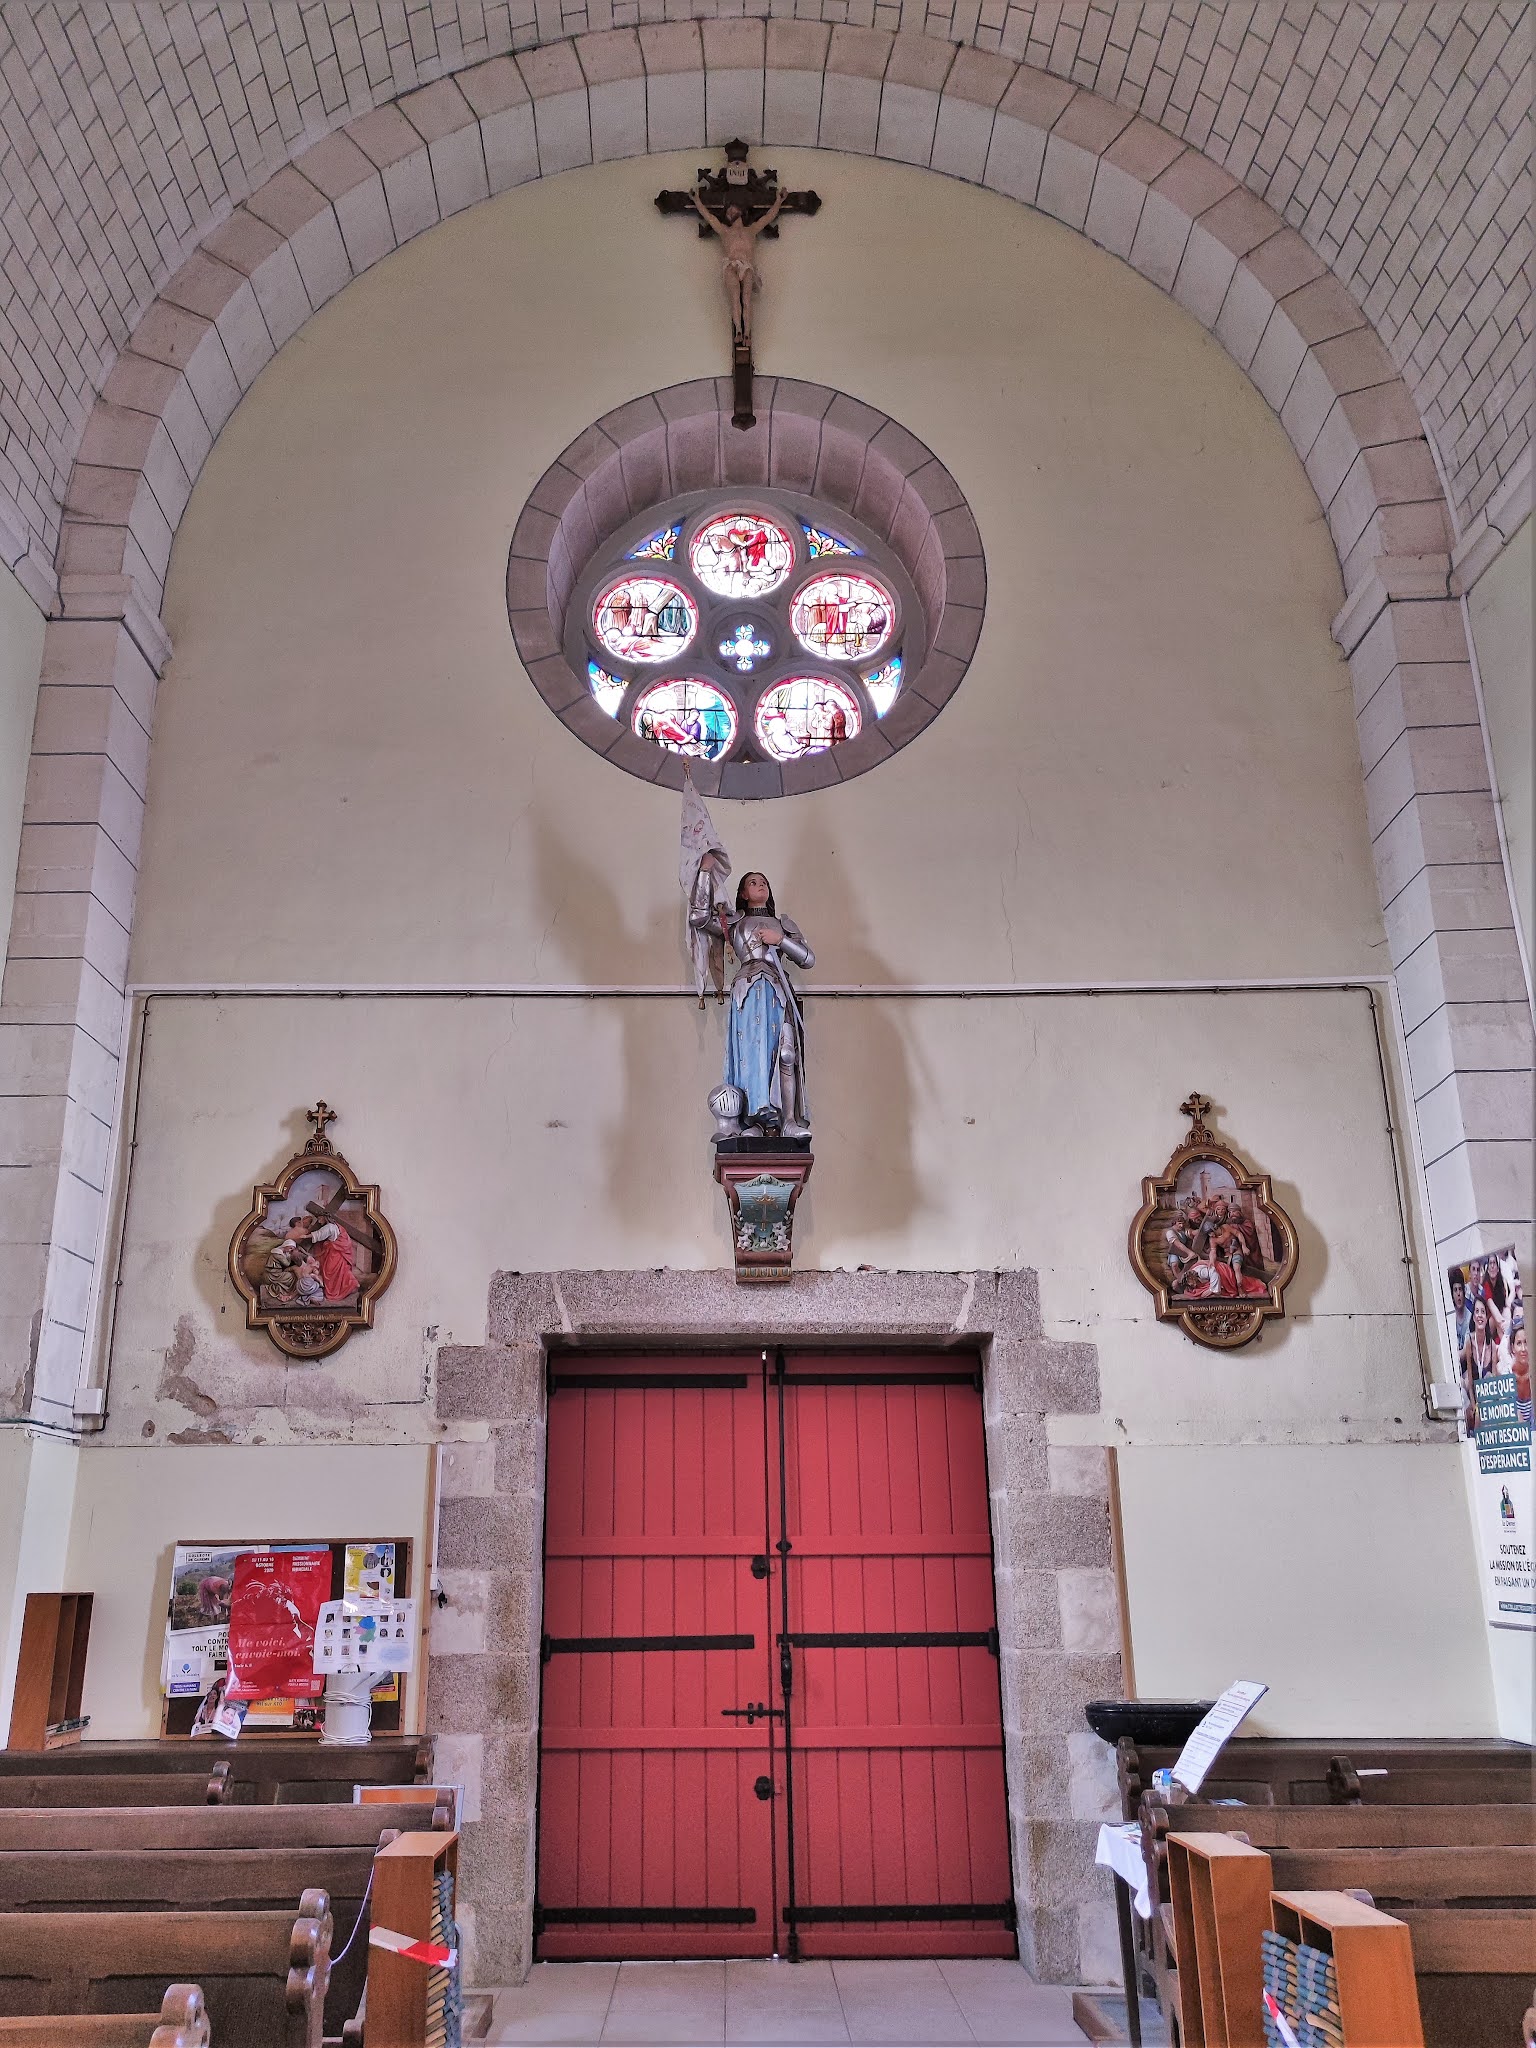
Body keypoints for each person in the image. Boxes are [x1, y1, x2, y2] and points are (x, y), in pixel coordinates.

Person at [691, 187, 786, 347]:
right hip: (731, 265)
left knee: (746, 299)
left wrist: (779, 200)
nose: (730, 211)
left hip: (746, 266)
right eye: (728, 211)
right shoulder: (724, 231)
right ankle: (739, 331)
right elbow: (708, 216)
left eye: (732, 208)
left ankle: (747, 332)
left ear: (740, 211)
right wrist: (696, 200)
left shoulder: (752, 229)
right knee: (735, 299)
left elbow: (769, 216)